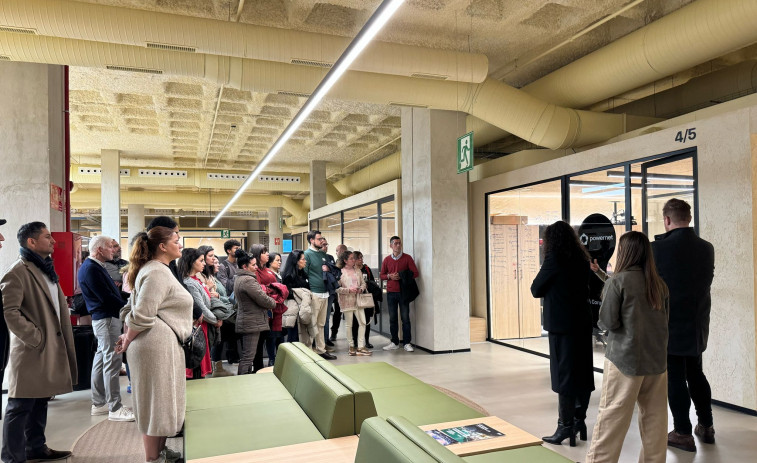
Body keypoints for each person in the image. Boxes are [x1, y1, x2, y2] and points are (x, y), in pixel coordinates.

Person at [586, 231, 670, 463]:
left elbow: (607, 321)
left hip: (625, 361)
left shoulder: (619, 281)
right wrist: (603, 275)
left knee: (611, 419)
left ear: (624, 252)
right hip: (656, 362)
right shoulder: (659, 285)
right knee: (655, 422)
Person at [1, 221, 77, 463]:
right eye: (47, 237)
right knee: (20, 404)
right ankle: (12, 457)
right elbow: (9, 311)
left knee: (40, 399)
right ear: (31, 242)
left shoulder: (45, 268)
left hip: (48, 347)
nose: (53, 241)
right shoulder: (17, 272)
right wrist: (35, 336)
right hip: (31, 349)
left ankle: (35, 447)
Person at [116, 226, 191, 463]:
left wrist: (128, 336)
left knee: (163, 400)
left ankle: (160, 452)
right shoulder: (156, 272)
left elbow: (133, 309)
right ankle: (152, 457)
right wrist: (127, 339)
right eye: (176, 240)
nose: (180, 245)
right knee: (154, 402)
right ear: (162, 246)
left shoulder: (158, 270)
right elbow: (142, 314)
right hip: (153, 345)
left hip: (160, 343)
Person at [651, 198, 716, 451]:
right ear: (688, 218)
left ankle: (682, 432)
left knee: (675, 378)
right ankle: (706, 426)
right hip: (698, 324)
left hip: (670, 324)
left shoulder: (657, 249)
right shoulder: (706, 247)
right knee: (696, 373)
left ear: (667, 220)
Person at [530, 221, 597, 446]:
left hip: (562, 326)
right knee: (583, 373)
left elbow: (535, 288)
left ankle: (564, 427)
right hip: (583, 322)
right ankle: (580, 421)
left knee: (564, 376)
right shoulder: (582, 259)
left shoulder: (554, 259)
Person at [77, 235, 134, 422]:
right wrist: (128, 308)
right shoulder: (91, 269)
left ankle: (99, 403)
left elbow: (113, 293)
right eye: (111, 246)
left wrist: (129, 298)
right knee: (113, 361)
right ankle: (115, 407)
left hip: (104, 318)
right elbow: (107, 298)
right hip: (107, 319)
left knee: (102, 359)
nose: (114, 249)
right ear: (99, 249)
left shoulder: (94, 267)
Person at [233, 250, 276, 375]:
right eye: (253, 265)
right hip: (251, 322)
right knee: (248, 357)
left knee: (248, 356)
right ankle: (242, 381)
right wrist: (273, 302)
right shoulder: (248, 280)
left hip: (249, 320)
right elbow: (262, 298)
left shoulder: (241, 278)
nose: (256, 267)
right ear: (244, 267)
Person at [178, 248, 217, 379]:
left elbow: (207, 303)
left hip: (202, 325)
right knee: (196, 368)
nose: (204, 263)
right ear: (191, 262)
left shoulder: (196, 280)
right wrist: (215, 320)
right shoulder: (189, 282)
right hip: (197, 326)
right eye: (200, 260)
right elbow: (201, 307)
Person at [197, 245, 234, 378]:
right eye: (210, 256)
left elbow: (218, 295)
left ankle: (217, 367)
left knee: (218, 341)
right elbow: (207, 298)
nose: (213, 259)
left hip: (219, 312)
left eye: (214, 256)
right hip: (211, 315)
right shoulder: (200, 277)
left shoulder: (211, 275)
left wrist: (219, 297)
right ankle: (213, 369)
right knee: (212, 342)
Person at [380, 236, 419, 352]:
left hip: (403, 293)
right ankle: (394, 342)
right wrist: (389, 276)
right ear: (391, 245)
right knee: (392, 319)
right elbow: (382, 275)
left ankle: (407, 343)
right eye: (395, 243)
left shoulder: (407, 258)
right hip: (391, 292)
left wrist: (402, 275)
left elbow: (415, 273)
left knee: (405, 318)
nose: (398, 245)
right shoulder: (387, 260)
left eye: (399, 243)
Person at [303, 231, 336, 360]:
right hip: (314, 293)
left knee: (322, 323)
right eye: (319, 238)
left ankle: (321, 350)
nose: (322, 240)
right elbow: (305, 273)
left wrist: (328, 269)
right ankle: (310, 350)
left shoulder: (323, 254)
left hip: (325, 292)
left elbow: (331, 269)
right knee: (313, 323)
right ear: (311, 240)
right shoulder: (307, 255)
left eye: (322, 238)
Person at [336, 251, 371, 356]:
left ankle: (360, 346)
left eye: (353, 258)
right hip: (346, 301)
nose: (354, 260)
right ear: (345, 260)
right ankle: (351, 346)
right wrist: (349, 290)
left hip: (358, 300)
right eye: (351, 258)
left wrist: (361, 288)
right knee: (349, 324)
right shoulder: (339, 272)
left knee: (363, 322)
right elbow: (337, 288)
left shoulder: (358, 270)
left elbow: (364, 283)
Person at [282, 250, 312, 344]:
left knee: (304, 335)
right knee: (293, 336)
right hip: (293, 309)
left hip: (303, 308)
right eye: (303, 259)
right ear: (296, 261)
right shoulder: (288, 276)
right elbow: (288, 293)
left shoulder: (303, 274)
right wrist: (301, 293)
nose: (305, 261)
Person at [353, 251, 376, 349]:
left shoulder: (367, 269)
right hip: (354, 298)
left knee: (366, 320)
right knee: (355, 321)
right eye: (359, 258)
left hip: (366, 298)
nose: (361, 260)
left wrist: (367, 284)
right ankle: (355, 341)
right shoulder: (351, 270)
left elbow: (373, 282)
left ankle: (366, 340)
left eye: (362, 258)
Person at [265, 252, 285, 365]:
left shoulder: (279, 275)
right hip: (272, 308)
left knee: (279, 336)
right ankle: (271, 359)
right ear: (270, 262)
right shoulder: (268, 274)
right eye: (277, 260)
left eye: (280, 260)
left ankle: (279, 359)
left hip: (280, 309)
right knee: (271, 336)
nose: (279, 262)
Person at [321, 240, 339, 351]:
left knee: (327, 317)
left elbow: (335, 271)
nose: (325, 247)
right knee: (321, 319)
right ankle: (321, 341)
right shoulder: (314, 258)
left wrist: (329, 269)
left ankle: (326, 339)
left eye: (327, 244)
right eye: (323, 245)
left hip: (330, 292)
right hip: (320, 291)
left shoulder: (330, 257)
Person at [329, 244, 348, 342]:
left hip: (350, 292)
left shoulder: (349, 263)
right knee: (337, 313)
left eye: (337, 251)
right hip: (339, 293)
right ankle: (334, 333)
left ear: (342, 251)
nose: (336, 253)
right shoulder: (337, 263)